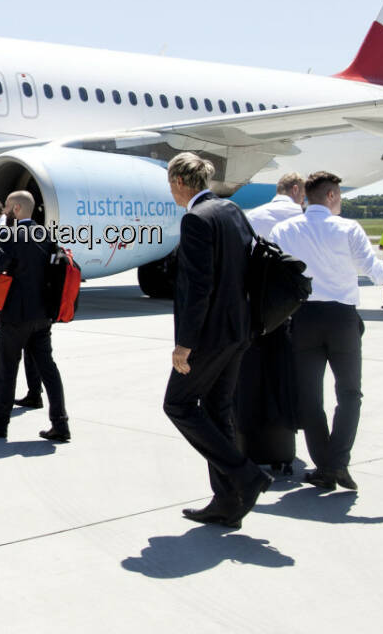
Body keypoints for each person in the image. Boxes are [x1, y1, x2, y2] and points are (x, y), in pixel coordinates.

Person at [270, 171, 383, 491]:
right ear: (330, 196)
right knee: (349, 393)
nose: (340, 200)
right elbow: (378, 274)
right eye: (339, 195)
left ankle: (324, 466)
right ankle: (338, 463)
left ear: (305, 196)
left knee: (310, 398)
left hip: (302, 318)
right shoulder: (347, 229)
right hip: (342, 319)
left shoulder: (282, 229)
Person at [160, 153, 270, 529]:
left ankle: (246, 476)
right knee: (217, 410)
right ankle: (227, 501)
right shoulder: (232, 211)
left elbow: (198, 287)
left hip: (208, 336)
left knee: (178, 404)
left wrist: (184, 344)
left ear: (177, 181)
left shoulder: (195, 219)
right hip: (239, 330)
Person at [0, 190, 70, 443]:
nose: (4, 214)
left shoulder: (13, 236)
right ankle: (60, 424)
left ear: (17, 210)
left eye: (7, 209)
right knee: (49, 369)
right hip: (43, 315)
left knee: (6, 369)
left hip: (16, 315)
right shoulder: (46, 235)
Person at [0, 198, 43, 407]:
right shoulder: (15, 227)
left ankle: (1, 408)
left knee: (10, 356)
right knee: (34, 354)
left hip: (19, 303)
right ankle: (35, 394)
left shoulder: (8, 228)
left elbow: (1, 263)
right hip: (36, 302)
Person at [245, 172, 306, 240]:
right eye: (303, 196)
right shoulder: (303, 215)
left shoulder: (250, 216)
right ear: (295, 189)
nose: (303, 203)